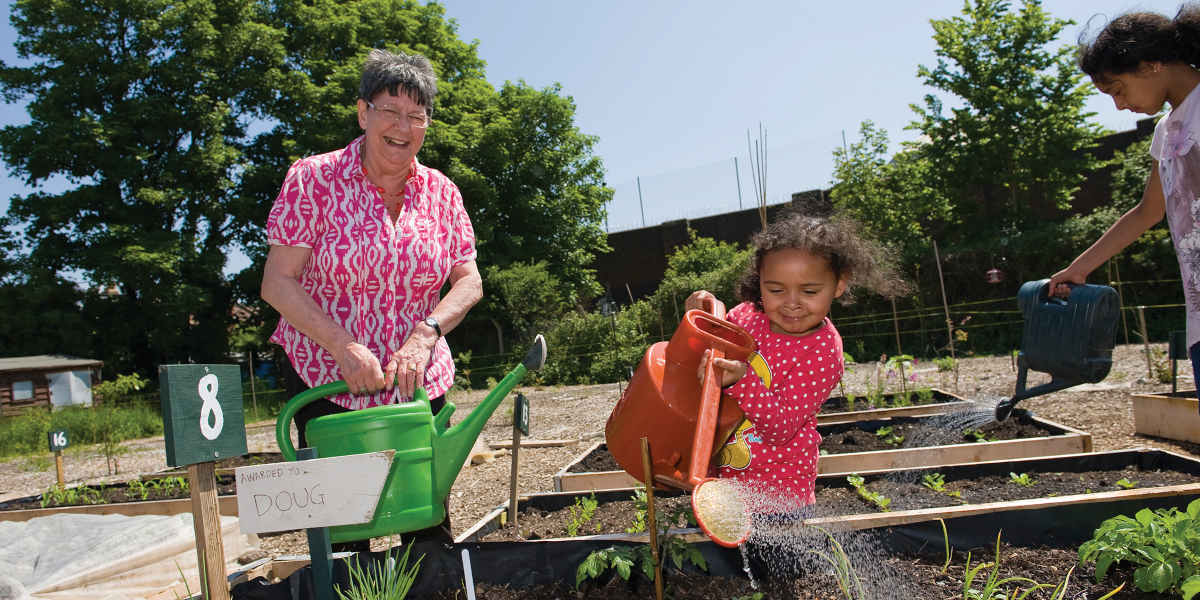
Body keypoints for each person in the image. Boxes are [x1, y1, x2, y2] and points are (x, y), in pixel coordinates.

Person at [261, 49, 482, 547]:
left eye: (417, 116)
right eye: (390, 110)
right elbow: (277, 282)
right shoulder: (313, 181)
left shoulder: (443, 193)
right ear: (363, 113)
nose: (403, 126)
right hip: (328, 382)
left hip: (417, 382)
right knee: (346, 538)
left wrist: (427, 334)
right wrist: (343, 346)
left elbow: (469, 281)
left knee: (426, 523)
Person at [685, 214, 907, 510]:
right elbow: (710, 347)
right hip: (722, 482)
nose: (792, 302)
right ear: (760, 281)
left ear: (839, 285)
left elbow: (781, 427)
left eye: (810, 291)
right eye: (775, 290)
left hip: (777, 494)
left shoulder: (822, 351)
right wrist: (701, 317)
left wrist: (741, 380)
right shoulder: (746, 316)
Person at [1049, 5, 1200, 394]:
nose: (1119, 105)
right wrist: (1079, 268)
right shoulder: (1167, 132)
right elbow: (1148, 211)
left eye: (1118, 89)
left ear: (1151, 65)